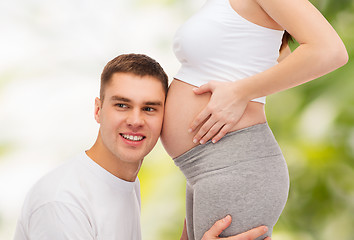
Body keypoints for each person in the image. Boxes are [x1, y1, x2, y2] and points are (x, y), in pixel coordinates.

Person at [13, 53, 272, 240]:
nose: (135, 121)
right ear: (98, 110)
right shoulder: (62, 201)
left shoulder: (122, 182)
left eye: (149, 108)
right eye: (122, 105)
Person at [160, 0, 348, 239]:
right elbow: (274, 57)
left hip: (235, 165)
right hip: (204, 167)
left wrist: (241, 92)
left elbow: (331, 51)